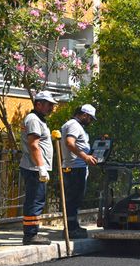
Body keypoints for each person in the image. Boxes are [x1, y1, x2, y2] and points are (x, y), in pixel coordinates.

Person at [19, 91, 57, 245]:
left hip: (35, 167)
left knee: (36, 200)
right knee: (35, 201)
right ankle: (30, 235)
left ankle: (31, 233)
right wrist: (41, 167)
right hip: (34, 168)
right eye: (49, 105)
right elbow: (33, 145)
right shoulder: (34, 120)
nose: (51, 108)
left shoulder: (38, 120)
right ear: (38, 104)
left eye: (52, 105)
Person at [61, 104, 98, 239]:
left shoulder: (73, 125)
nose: (91, 122)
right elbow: (70, 143)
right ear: (84, 115)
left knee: (74, 199)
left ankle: (72, 226)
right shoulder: (74, 125)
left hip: (75, 167)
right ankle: (71, 229)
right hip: (75, 168)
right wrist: (85, 157)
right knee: (73, 199)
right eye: (90, 118)